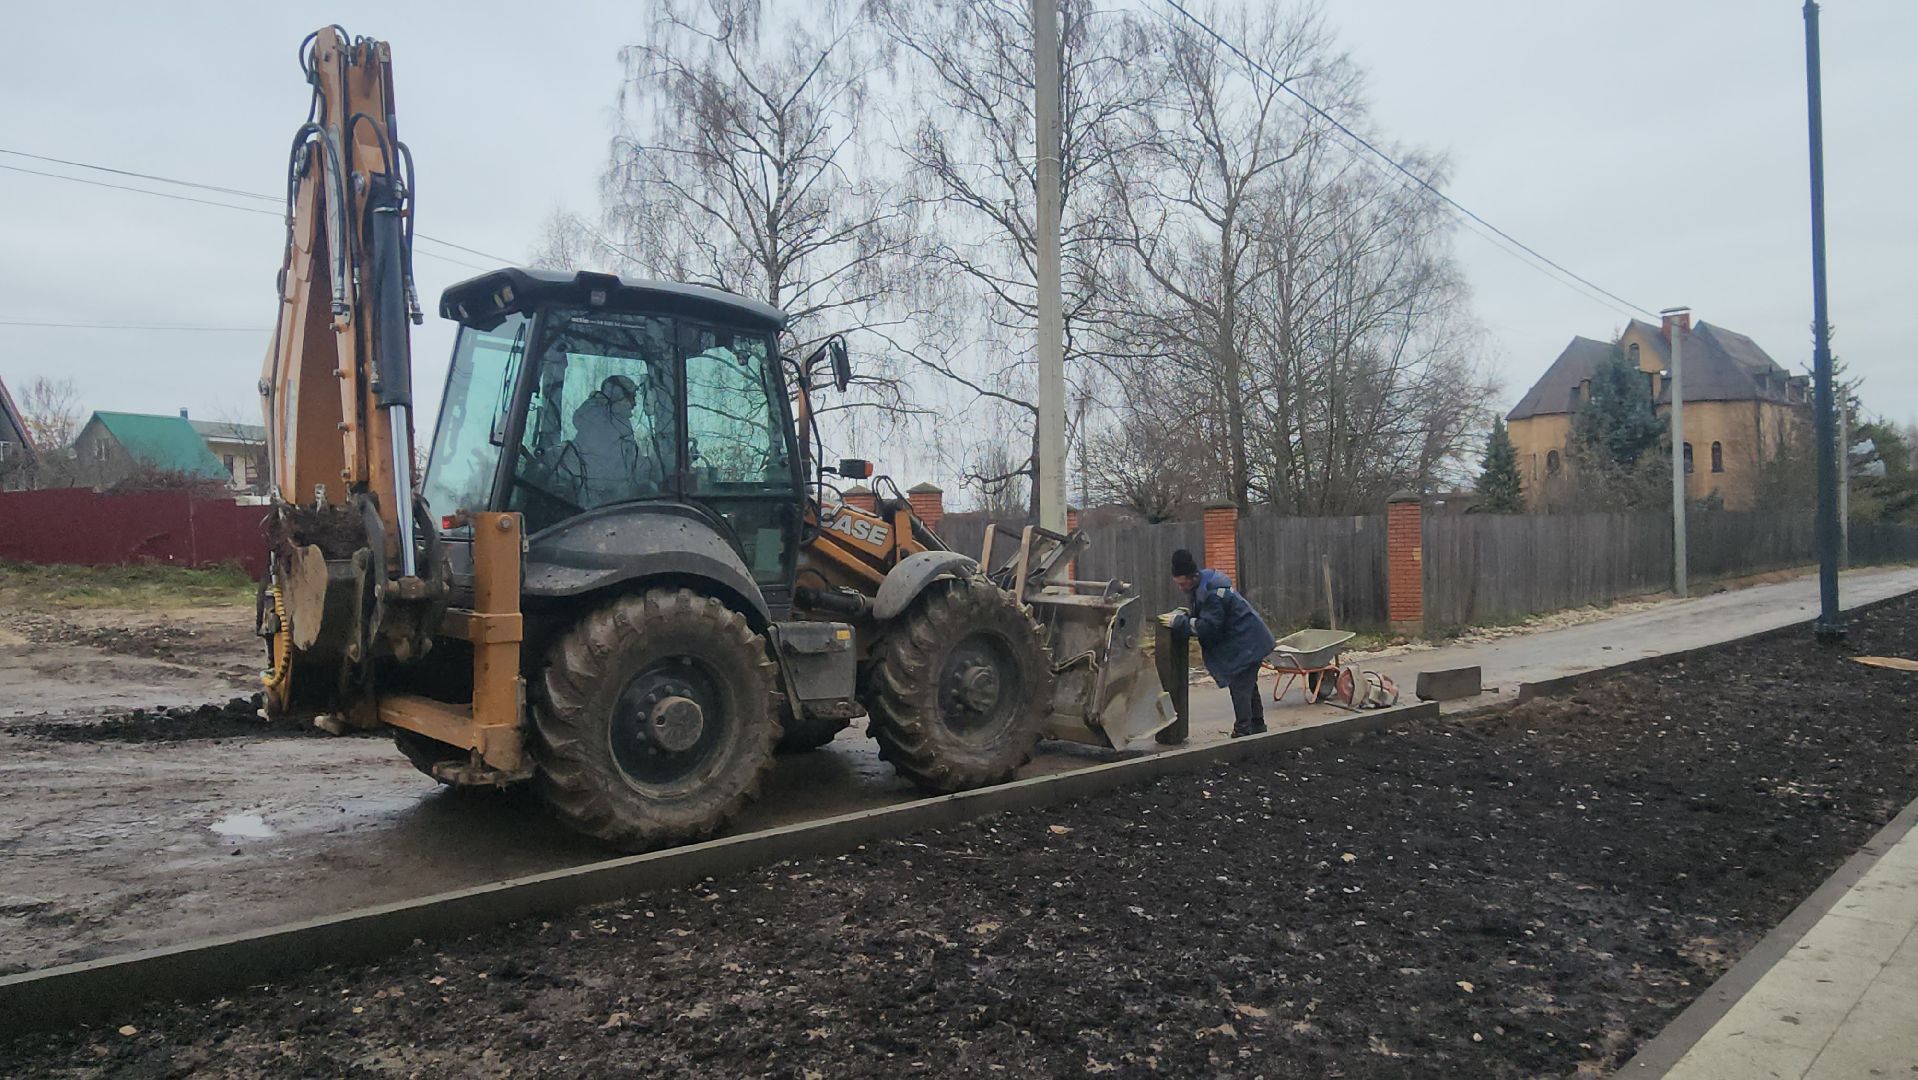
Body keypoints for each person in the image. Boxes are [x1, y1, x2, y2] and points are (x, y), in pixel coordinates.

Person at [1168, 548, 1276, 738]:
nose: (1180, 588)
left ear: (1192, 577)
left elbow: (1209, 627)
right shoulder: (1204, 586)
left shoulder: (1212, 594)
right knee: (1248, 685)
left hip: (1247, 643)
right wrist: (1188, 614)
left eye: (1182, 583)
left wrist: (1179, 623)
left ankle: (1243, 732)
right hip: (1251, 640)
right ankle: (1257, 726)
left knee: (1240, 686)